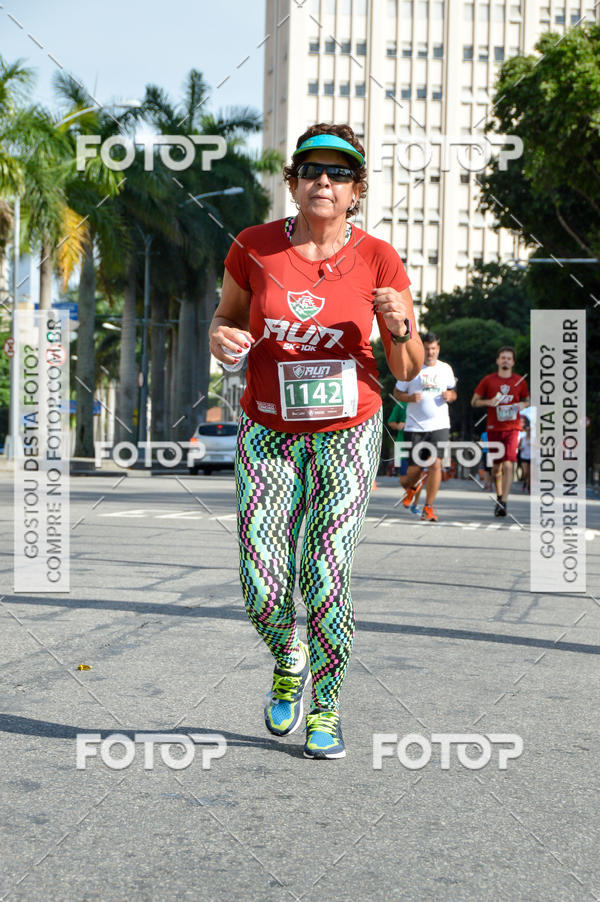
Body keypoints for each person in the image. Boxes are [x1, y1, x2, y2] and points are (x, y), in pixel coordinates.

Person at [209, 124, 423, 759]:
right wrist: (221, 338)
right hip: (268, 428)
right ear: (294, 182)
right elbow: (225, 318)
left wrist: (400, 323)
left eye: (338, 174)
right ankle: (288, 655)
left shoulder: (380, 257)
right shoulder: (253, 247)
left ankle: (326, 707)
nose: (323, 182)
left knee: (326, 572)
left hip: (349, 430)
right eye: (311, 171)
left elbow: (407, 368)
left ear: (356, 191)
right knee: (260, 575)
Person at [393, 331, 457, 521]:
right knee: (413, 472)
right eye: (427, 349)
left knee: (435, 464)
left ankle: (428, 507)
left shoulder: (445, 369)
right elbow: (397, 393)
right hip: (415, 427)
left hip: (440, 425)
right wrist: (410, 398)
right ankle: (411, 488)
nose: (430, 353)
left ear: (438, 349)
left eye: (434, 349)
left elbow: (453, 393)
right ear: (422, 349)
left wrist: (450, 396)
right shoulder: (413, 368)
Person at [471, 346, 530, 516]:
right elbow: (474, 401)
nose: (505, 360)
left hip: (512, 428)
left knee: (509, 464)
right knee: (496, 467)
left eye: (509, 358)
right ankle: (499, 496)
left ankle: (504, 501)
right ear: (497, 360)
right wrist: (489, 402)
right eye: (502, 357)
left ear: (513, 362)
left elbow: (527, 400)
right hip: (493, 428)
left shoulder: (520, 381)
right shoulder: (488, 380)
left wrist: (522, 405)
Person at [518, 416, 531, 492]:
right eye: (527, 431)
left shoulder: (534, 439)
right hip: (523, 456)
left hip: (531, 457)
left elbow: (538, 446)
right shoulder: (522, 439)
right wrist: (520, 448)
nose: (528, 432)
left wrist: (532, 445)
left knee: (529, 473)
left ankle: (528, 486)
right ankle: (524, 483)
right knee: (525, 472)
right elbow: (518, 447)